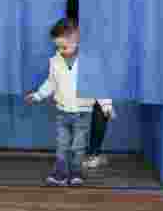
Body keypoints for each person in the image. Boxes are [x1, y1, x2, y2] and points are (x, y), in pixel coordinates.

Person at [25, 17, 113, 186]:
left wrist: (106, 106)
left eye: (64, 46)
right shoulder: (55, 61)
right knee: (62, 144)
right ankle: (60, 173)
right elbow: (51, 83)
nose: (61, 50)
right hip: (63, 112)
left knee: (78, 146)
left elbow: (97, 86)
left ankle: (76, 172)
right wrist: (37, 96)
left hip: (82, 113)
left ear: (76, 39)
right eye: (58, 47)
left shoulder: (88, 62)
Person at [65, 0, 112, 171]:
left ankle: (78, 152)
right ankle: (91, 153)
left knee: (79, 98)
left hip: (75, 37)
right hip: (98, 39)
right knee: (98, 98)